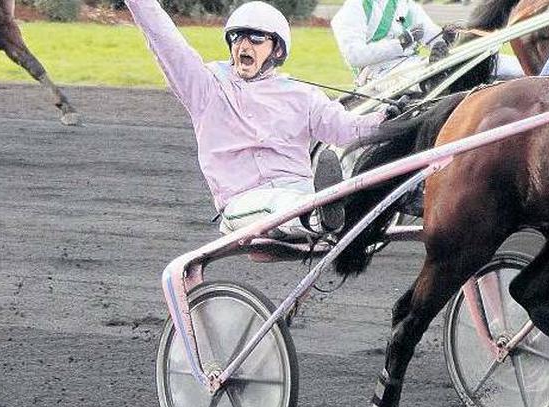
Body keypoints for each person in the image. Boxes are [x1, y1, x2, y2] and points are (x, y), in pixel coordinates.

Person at [126, 0, 390, 240]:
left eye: (256, 38)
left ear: (276, 50)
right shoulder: (206, 87)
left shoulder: (301, 94)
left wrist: (389, 119)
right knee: (282, 204)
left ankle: (362, 207)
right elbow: (165, 39)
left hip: (303, 194)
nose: (244, 44)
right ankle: (321, 216)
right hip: (245, 203)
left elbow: (346, 129)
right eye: (237, 37)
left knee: (355, 190)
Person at [331, 0, 524, 91]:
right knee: (429, 73)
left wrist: (448, 38)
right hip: (377, 76)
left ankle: (537, 71)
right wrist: (401, 42)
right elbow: (354, 56)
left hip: (416, 63)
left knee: (497, 62)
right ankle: (434, 81)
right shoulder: (353, 9)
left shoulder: (407, 6)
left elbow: (434, 39)